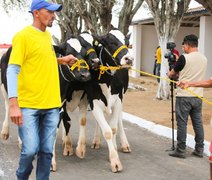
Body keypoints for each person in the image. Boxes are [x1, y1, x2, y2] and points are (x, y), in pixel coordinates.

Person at [7, 0, 77, 179]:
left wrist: (61, 60)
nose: (54, 15)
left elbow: (40, 60)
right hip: (29, 105)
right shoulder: (23, 36)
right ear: (36, 13)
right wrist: (14, 104)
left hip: (52, 104)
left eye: (55, 12)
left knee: (47, 152)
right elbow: (13, 69)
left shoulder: (47, 36)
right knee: (30, 150)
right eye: (50, 11)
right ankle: (22, 176)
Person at [167, 34, 207, 159]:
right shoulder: (204, 58)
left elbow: (173, 73)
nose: (183, 47)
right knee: (198, 123)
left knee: (182, 123)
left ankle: (180, 150)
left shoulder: (184, 58)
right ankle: (199, 149)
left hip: (184, 96)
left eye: (183, 45)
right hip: (198, 95)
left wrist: (170, 72)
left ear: (188, 45)